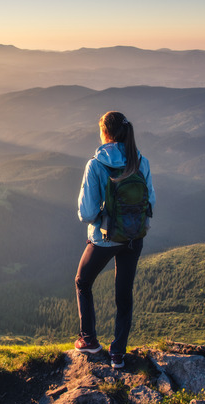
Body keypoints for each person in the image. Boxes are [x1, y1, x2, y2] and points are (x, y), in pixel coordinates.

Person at [74, 111, 155, 369]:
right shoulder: (141, 161)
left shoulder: (96, 165)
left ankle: (89, 340)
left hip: (104, 238)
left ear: (105, 133)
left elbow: (86, 213)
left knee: (83, 281)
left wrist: (102, 216)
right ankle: (118, 353)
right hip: (134, 237)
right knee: (124, 294)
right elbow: (150, 202)